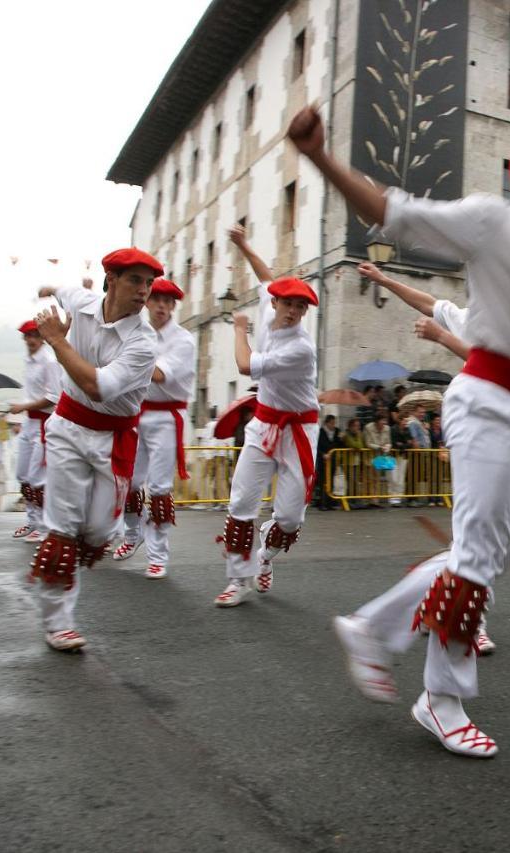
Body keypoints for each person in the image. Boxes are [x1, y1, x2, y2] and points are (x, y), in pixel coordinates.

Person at [285, 103, 510, 756]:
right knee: (475, 556)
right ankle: (441, 700)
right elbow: (392, 210)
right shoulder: (492, 221)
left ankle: (370, 626)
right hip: (484, 400)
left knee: (488, 558)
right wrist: (319, 156)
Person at [30, 258, 160, 650]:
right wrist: (47, 289)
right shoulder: (82, 300)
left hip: (112, 438)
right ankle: (58, 623)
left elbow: (99, 387)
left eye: (148, 283)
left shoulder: (144, 341)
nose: (143, 291)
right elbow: (61, 289)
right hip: (68, 428)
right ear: (111, 280)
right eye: (135, 281)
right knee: (63, 527)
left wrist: (57, 340)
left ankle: (78, 555)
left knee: (100, 532)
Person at [216, 226, 322, 607]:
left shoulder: (301, 348)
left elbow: (245, 365)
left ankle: (264, 556)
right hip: (263, 424)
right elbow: (265, 276)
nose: (293, 311)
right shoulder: (268, 304)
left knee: (290, 518)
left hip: (299, 430)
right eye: (288, 304)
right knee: (240, 502)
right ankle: (236, 580)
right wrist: (244, 244)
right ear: (275, 304)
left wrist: (239, 330)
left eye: (301, 306)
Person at [112, 278, 196, 579]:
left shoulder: (183, 340)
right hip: (137, 414)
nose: (161, 306)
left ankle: (158, 554)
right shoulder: (136, 332)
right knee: (129, 482)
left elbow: (160, 375)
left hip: (165, 419)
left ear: (173, 306)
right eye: (155, 300)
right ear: (147, 302)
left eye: (166, 301)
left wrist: (123, 364)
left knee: (159, 488)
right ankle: (132, 535)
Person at [10, 320, 62, 543]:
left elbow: (53, 397)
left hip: (44, 423)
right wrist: (23, 410)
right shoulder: (29, 361)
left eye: (34, 335)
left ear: (42, 337)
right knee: (23, 474)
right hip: (30, 423)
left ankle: (43, 526)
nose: (31, 340)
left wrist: (23, 407)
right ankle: (33, 521)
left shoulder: (49, 361)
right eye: (27, 336)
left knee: (37, 477)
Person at [316, 414, 342, 510]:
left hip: (332, 460)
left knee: (331, 481)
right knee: (323, 481)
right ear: (326, 423)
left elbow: (338, 444)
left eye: (334, 423)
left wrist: (340, 439)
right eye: (331, 423)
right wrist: (323, 454)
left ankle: (330, 503)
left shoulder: (337, 432)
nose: (333, 425)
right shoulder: (320, 432)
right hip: (323, 460)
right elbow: (317, 446)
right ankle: (322, 503)